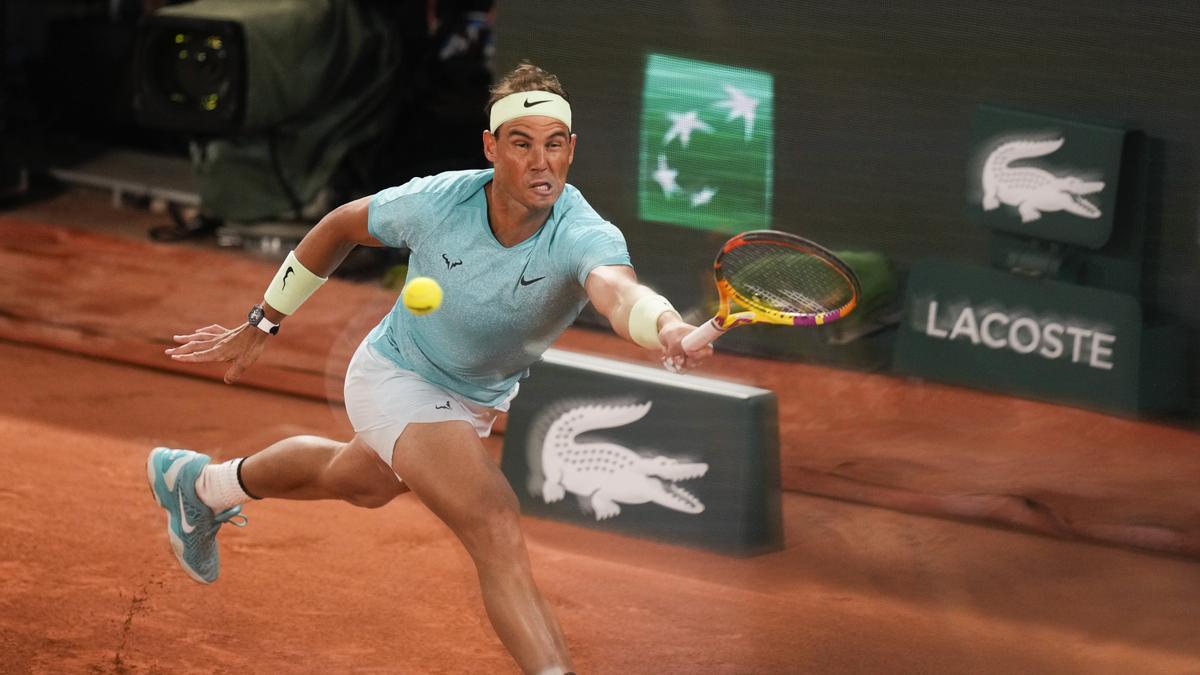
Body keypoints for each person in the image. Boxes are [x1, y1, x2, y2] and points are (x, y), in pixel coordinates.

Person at [146, 62, 712, 675]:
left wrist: (669, 328)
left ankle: (201, 486)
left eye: (555, 144)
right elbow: (339, 226)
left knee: (359, 482)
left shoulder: (583, 233)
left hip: (476, 398)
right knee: (493, 521)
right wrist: (264, 319)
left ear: (572, 149)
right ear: (491, 148)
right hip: (396, 375)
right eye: (522, 144)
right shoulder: (438, 201)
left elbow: (619, 294)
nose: (541, 162)